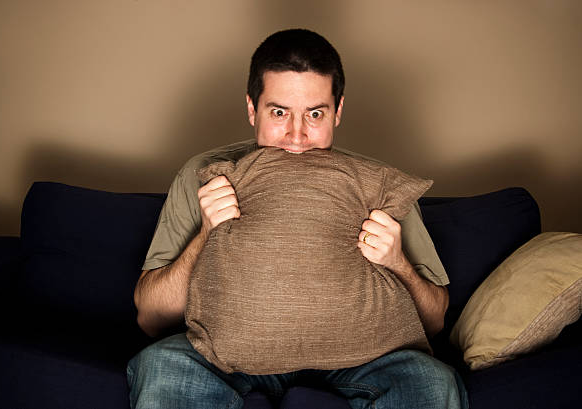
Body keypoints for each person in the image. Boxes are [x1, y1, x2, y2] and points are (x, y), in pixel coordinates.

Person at [127, 29, 468, 409]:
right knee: (161, 364)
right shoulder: (206, 173)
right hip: (230, 354)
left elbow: (435, 321)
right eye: (279, 112)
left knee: (434, 382)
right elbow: (150, 318)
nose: (297, 136)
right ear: (252, 109)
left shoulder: (378, 184)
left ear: (338, 111)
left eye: (315, 114)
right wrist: (206, 233)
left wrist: (397, 262)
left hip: (360, 358)